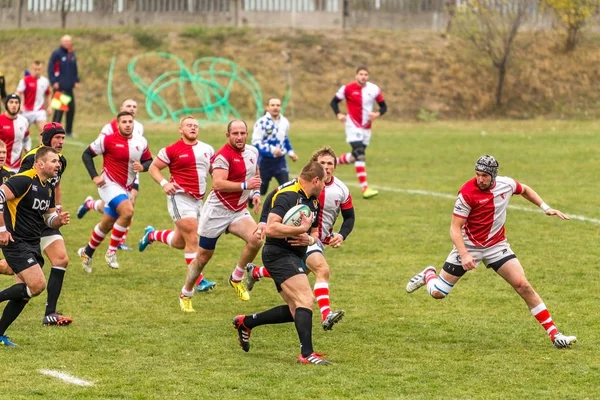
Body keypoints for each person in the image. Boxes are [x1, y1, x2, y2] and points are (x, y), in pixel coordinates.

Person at [405, 155, 577, 349]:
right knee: (438, 293)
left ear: (494, 175)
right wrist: (464, 254)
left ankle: (555, 335)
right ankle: (429, 274)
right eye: (477, 174)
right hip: (469, 246)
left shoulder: (506, 184)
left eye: (484, 175)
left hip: (496, 246)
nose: (480, 179)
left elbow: (525, 189)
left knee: (523, 286)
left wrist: (545, 207)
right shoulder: (467, 193)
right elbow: (454, 228)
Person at [232, 162, 331, 365]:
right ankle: (306, 354)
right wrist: (297, 230)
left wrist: (309, 239)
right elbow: (271, 228)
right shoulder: (289, 195)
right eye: (323, 182)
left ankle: (246, 322)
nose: (324, 186)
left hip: (296, 255)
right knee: (305, 298)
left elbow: (313, 231)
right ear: (315, 180)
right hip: (278, 254)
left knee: (296, 308)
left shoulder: (312, 199)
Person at [247, 146, 354, 331]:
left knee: (299, 273)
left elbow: (350, 217)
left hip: (317, 240)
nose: (327, 167)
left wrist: (341, 234)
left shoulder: (341, 190)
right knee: (322, 269)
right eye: (322, 163)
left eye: (330, 163)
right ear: (315, 167)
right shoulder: (301, 186)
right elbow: (272, 196)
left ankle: (256, 273)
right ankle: (326, 314)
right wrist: (264, 222)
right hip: (300, 239)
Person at [138, 116, 217, 310]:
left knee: (179, 241)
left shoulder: (208, 149)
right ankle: (198, 281)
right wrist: (165, 183)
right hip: (179, 197)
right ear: (180, 129)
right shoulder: (171, 150)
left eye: (196, 125)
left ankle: (152, 234)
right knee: (193, 236)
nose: (193, 128)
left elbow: (215, 172)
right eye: (189, 125)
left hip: (199, 200)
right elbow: (154, 168)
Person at [185, 120, 262, 306]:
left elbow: (255, 172)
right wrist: (245, 186)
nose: (239, 137)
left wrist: (256, 192)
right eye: (235, 133)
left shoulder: (253, 151)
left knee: (257, 239)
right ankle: (186, 292)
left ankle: (236, 277)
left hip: (238, 210)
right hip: (217, 211)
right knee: (203, 257)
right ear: (228, 136)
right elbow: (218, 183)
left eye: (242, 133)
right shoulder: (222, 157)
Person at [0, 146, 70, 347]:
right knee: (37, 285)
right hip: (15, 242)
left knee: (24, 294)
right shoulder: (24, 180)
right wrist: (2, 229)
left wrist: (58, 220)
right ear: (40, 164)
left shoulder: (47, 187)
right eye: (53, 161)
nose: (58, 165)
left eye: (58, 161)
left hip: (32, 243)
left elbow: (48, 218)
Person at [77, 111, 152, 273]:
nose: (127, 124)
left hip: (126, 187)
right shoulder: (108, 140)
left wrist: (143, 167)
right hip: (108, 184)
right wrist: (95, 176)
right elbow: (87, 154)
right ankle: (112, 251)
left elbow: (148, 160)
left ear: (134, 123)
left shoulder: (141, 141)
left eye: (130, 121)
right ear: (118, 124)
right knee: (128, 211)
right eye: (123, 122)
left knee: (107, 223)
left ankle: (87, 252)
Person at [12, 122, 71, 325]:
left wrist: (57, 208)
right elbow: (21, 185)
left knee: (61, 259)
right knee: (23, 279)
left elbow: (56, 185)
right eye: (57, 137)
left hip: (46, 218)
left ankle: (50, 313)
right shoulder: (33, 158)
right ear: (46, 138)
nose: (61, 142)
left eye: (63, 138)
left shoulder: (61, 161)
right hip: (28, 221)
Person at [330, 66, 387, 199]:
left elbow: (384, 106)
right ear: (356, 76)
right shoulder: (347, 88)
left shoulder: (374, 89)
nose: (363, 77)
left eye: (366, 74)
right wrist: (338, 114)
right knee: (360, 154)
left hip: (367, 127)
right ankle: (365, 188)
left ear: (368, 76)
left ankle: (332, 162)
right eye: (361, 74)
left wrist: (377, 114)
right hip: (352, 125)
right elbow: (333, 102)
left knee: (355, 156)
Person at [251, 98, 298, 198]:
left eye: (278, 105)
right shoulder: (261, 123)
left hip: (280, 161)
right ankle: (251, 198)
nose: (275, 107)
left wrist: (291, 153)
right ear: (267, 107)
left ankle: (283, 209)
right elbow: (256, 142)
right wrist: (272, 150)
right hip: (265, 162)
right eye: (272, 105)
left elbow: (284, 139)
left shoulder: (284, 122)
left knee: (286, 188)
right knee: (262, 190)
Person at [48, 35, 80, 137]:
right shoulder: (57, 54)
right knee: (59, 111)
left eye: (69, 41)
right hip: (60, 88)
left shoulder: (71, 54)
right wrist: (54, 81)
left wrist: (75, 80)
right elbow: (51, 68)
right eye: (66, 41)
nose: (67, 43)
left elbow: (74, 68)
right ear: (62, 42)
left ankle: (69, 131)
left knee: (71, 109)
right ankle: (53, 131)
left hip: (69, 87)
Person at [16, 61, 52, 136]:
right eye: (35, 69)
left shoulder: (45, 81)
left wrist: (49, 106)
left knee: (44, 132)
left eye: (39, 69)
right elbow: (17, 93)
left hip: (39, 110)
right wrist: (19, 105)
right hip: (26, 111)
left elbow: (48, 94)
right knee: (22, 134)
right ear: (31, 69)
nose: (37, 71)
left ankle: (42, 148)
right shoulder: (25, 81)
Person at [0, 94, 31, 172]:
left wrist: (28, 150)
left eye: (16, 102)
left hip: (17, 166)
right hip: (2, 166)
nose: (14, 105)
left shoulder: (24, 121)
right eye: (11, 102)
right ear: (6, 104)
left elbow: (27, 138)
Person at [0, 140, 15, 276]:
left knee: (11, 267)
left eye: (4, 152)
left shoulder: (10, 176)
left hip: (5, 226)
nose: (2, 155)